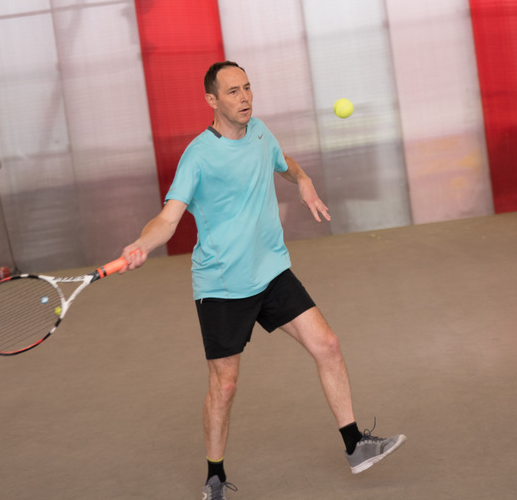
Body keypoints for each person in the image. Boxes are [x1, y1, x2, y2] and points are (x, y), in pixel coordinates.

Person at [120, 61, 405, 499]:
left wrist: (303, 180)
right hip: (223, 286)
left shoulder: (259, 132)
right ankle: (214, 476)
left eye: (247, 88)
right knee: (225, 386)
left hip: (271, 272)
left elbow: (282, 162)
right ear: (212, 100)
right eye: (233, 91)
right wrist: (142, 244)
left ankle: (355, 447)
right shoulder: (198, 155)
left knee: (327, 345)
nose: (245, 98)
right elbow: (168, 218)